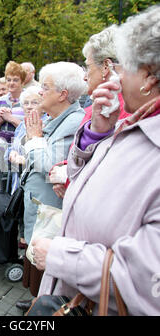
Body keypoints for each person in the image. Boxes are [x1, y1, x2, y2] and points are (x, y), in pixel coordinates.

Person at [32, 5, 160, 316]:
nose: (116, 77)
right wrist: (97, 134)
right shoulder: (130, 124)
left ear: (149, 78)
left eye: (124, 66)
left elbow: (147, 281)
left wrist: (61, 257)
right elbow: (83, 176)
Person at [16, 61, 87, 313]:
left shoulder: (73, 122)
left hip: (51, 210)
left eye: (45, 87)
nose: (40, 92)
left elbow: (52, 168)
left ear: (63, 94)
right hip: (41, 206)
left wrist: (35, 139)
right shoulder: (57, 117)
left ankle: (42, 304)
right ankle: (37, 301)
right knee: (35, 263)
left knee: (45, 267)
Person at [50, 25, 131, 200]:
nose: (85, 77)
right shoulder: (99, 108)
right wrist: (64, 168)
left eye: (88, 67)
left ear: (106, 67)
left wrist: (68, 178)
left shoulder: (122, 111)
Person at [6, 86, 47, 249]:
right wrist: (10, 154)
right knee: (20, 216)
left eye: (34, 102)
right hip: (18, 180)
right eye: (26, 103)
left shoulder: (46, 125)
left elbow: (46, 158)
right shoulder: (22, 125)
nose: (29, 106)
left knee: (33, 221)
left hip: (35, 184)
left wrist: (25, 160)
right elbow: (13, 145)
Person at [0, 61, 26, 176]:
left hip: (19, 154)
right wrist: (0, 120)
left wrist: (11, 118)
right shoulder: (2, 100)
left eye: (15, 80)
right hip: (1, 152)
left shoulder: (28, 99)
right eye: (8, 80)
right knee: (4, 188)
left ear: (22, 82)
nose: (11, 83)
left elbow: (31, 128)